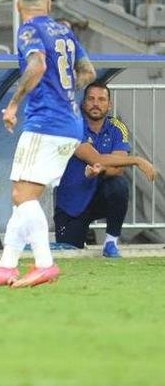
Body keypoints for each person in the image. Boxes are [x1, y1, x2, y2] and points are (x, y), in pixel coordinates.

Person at [0, 0, 96, 289]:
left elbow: (37, 66)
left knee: (21, 195)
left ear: (18, 5)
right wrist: (67, 94)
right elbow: (88, 72)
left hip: (47, 123)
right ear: (49, 3)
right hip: (69, 124)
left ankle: (44, 264)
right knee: (24, 198)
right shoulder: (65, 31)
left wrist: (13, 104)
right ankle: (6, 266)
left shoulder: (30, 30)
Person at [54, 82, 158, 257]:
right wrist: (137, 160)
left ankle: (111, 242)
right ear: (83, 103)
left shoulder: (117, 127)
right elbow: (96, 159)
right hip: (72, 201)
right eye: (91, 99)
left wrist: (100, 170)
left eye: (102, 99)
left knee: (118, 185)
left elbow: (118, 168)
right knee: (69, 254)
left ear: (109, 105)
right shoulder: (73, 127)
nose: (96, 103)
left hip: (100, 196)